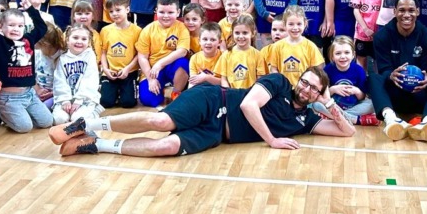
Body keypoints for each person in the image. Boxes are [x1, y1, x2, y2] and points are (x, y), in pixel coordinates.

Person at [48, 67, 354, 157]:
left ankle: (95, 144)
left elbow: (347, 132)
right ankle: (85, 124)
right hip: (213, 100)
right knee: (160, 120)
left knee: (166, 147)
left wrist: (328, 103)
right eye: (305, 82)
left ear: (318, 94)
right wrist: (272, 140)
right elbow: (248, 105)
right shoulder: (280, 82)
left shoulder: (307, 118)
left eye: (313, 88)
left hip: (216, 134)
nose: (305, 89)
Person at [370, 0, 427, 141]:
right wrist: (391, 75)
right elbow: (383, 69)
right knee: (373, 79)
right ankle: (391, 119)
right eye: (402, 10)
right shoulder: (382, 36)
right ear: (394, 11)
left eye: (411, 10)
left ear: (418, 11)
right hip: (394, 95)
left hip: (418, 94)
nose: (406, 15)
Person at [0, 0, 52, 133]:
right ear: (0, 27)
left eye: (20, 26)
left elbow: (42, 27)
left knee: (47, 122)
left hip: (29, 94)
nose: (16, 29)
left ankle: (19, 113)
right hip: (8, 98)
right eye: (11, 25)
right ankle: (2, 113)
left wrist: (30, 9)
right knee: (25, 127)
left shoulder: (28, 40)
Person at [136, 0, 191, 107]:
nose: (166, 16)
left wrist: (160, 64)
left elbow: (182, 51)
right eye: (162, 12)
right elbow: (142, 57)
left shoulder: (182, 28)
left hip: (171, 66)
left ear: (178, 12)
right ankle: (160, 89)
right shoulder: (148, 30)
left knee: (183, 63)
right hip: (153, 70)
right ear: (156, 11)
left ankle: (176, 92)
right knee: (148, 100)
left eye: (170, 12)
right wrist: (150, 79)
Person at [51, 24, 102, 126]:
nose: (79, 41)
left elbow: (90, 80)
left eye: (84, 39)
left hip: (85, 99)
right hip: (66, 98)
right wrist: (65, 100)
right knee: (59, 120)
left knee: (77, 119)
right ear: (67, 40)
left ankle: (95, 111)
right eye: (75, 38)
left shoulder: (90, 56)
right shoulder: (62, 58)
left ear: (88, 42)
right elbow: (59, 81)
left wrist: (79, 100)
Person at [98, 0, 142, 109]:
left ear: (127, 9)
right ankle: (112, 90)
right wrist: (105, 69)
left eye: (118, 10)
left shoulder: (137, 31)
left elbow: (139, 54)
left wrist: (127, 69)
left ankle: (122, 91)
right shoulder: (105, 30)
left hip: (129, 72)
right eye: (111, 11)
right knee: (106, 102)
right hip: (110, 73)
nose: (114, 14)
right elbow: (103, 53)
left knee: (128, 103)